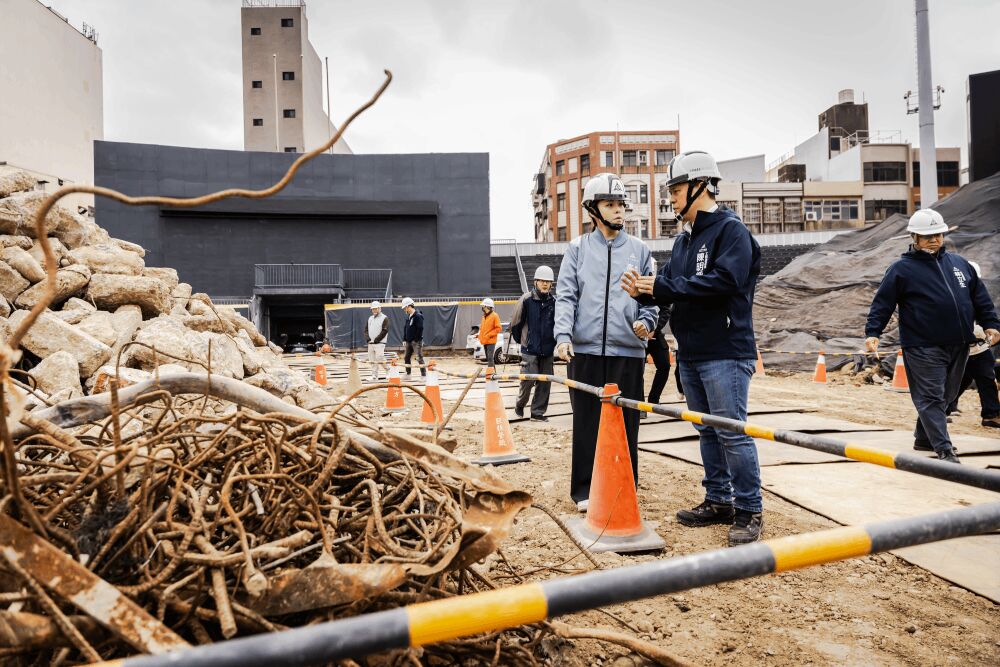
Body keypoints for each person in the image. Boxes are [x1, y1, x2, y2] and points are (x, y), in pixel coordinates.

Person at [622, 150, 764, 546]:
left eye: (676, 189)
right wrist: (644, 294)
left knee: (732, 431)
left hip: (725, 350)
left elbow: (725, 281)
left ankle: (749, 508)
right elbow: (669, 287)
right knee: (706, 430)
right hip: (693, 351)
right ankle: (719, 500)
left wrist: (662, 286)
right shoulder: (683, 241)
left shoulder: (731, 232)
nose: (671, 197)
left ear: (700, 186)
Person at [555, 172, 657, 511]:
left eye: (620, 204)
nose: (618, 210)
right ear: (593, 209)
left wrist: (646, 321)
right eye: (610, 204)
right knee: (586, 423)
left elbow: (652, 298)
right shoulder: (577, 249)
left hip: (627, 352)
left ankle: (625, 486)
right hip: (585, 352)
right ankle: (585, 491)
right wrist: (563, 336)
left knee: (627, 424)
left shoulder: (640, 250)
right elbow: (566, 296)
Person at [866, 209, 1000, 462]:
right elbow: (882, 303)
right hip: (923, 345)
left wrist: (991, 324)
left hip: (959, 343)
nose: (934, 240)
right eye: (927, 236)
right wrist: (873, 332)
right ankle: (944, 449)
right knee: (931, 396)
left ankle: (924, 438)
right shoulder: (901, 269)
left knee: (947, 395)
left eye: (938, 234)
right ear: (914, 237)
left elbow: (979, 298)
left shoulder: (960, 264)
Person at [510, 265, 556, 421]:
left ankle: (537, 412)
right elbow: (516, 324)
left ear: (551, 284)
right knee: (527, 381)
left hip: (547, 351)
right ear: (535, 282)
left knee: (545, 383)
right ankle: (520, 404)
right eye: (542, 281)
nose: (545, 284)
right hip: (529, 350)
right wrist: (525, 342)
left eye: (548, 281)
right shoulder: (526, 300)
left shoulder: (554, 302)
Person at [641, 303, 673, 419]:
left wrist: (654, 329)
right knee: (638, 370)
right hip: (636, 334)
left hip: (655, 333)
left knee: (665, 366)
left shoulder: (657, 294)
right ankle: (641, 405)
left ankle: (654, 400)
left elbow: (665, 310)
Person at [401, 297, 426, 378]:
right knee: (406, 357)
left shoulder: (418, 316)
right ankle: (408, 374)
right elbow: (405, 328)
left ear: (409, 306)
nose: (404, 310)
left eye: (405, 308)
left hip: (416, 342)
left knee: (419, 358)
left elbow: (420, 328)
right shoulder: (408, 316)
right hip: (408, 341)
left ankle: (424, 375)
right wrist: (404, 339)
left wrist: (416, 339)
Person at [365, 300, 390, 381]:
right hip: (370, 343)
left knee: (380, 358)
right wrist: (368, 339)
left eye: (376, 309)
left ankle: (388, 371)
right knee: (372, 360)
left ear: (380, 308)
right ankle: (374, 376)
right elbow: (366, 330)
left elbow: (384, 331)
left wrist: (376, 340)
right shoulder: (370, 318)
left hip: (380, 343)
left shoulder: (384, 318)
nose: (374, 310)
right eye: (373, 309)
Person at [478, 298, 502, 365]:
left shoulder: (495, 316)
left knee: (490, 358)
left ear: (487, 306)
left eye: (483, 305)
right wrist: (480, 336)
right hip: (485, 340)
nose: (482, 307)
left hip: (491, 341)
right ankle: (492, 371)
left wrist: (488, 335)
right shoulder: (484, 316)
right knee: (488, 358)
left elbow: (498, 328)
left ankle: (491, 371)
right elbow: (483, 328)